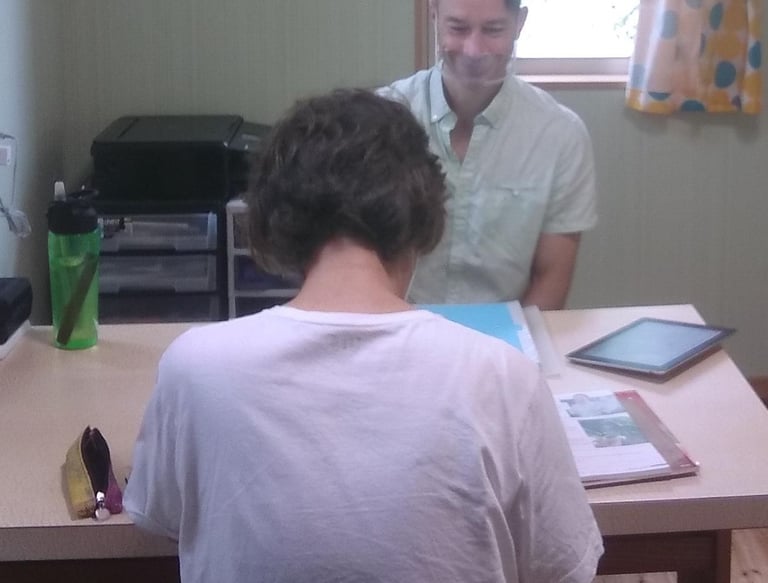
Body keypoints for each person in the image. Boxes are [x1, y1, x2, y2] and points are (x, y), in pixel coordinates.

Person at [124, 89, 603, 583]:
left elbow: (158, 515)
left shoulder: (194, 369)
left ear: (277, 225)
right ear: (421, 223)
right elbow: (560, 566)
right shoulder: (504, 377)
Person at [380, 0, 598, 310]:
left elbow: (551, 277)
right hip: (398, 325)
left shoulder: (561, 134)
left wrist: (514, 353)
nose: (473, 50)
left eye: (493, 30)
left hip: (508, 335)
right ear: (434, 17)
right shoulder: (384, 118)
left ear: (519, 24)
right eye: (458, 28)